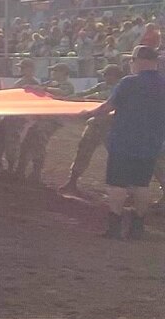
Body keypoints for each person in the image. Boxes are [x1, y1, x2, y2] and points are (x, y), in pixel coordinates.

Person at [88, 45, 165, 239]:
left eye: (132, 60)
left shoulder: (129, 82)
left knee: (117, 185)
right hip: (151, 143)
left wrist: (87, 113)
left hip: (124, 141)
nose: (130, 64)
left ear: (140, 60)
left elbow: (108, 107)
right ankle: (137, 227)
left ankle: (115, 227)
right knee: (142, 185)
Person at [62, 63, 125, 192]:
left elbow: (99, 97)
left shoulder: (120, 88)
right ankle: (72, 180)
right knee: (83, 151)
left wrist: (80, 100)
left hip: (112, 127)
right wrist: (66, 99)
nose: (104, 77)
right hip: (98, 125)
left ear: (113, 76)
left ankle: (129, 190)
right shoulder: (104, 85)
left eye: (106, 75)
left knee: (119, 157)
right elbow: (86, 93)